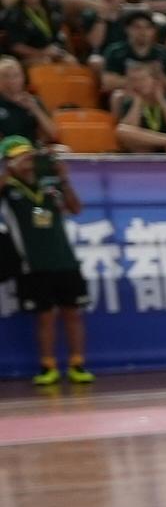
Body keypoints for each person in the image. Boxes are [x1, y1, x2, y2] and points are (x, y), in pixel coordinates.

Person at [7, 136, 88, 387]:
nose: (27, 160)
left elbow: (76, 208)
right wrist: (9, 172)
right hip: (34, 264)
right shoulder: (9, 189)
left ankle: (77, 365)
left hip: (65, 260)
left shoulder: (50, 184)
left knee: (72, 312)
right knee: (45, 316)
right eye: (19, 157)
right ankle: (48, 366)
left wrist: (64, 179)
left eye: (28, 155)